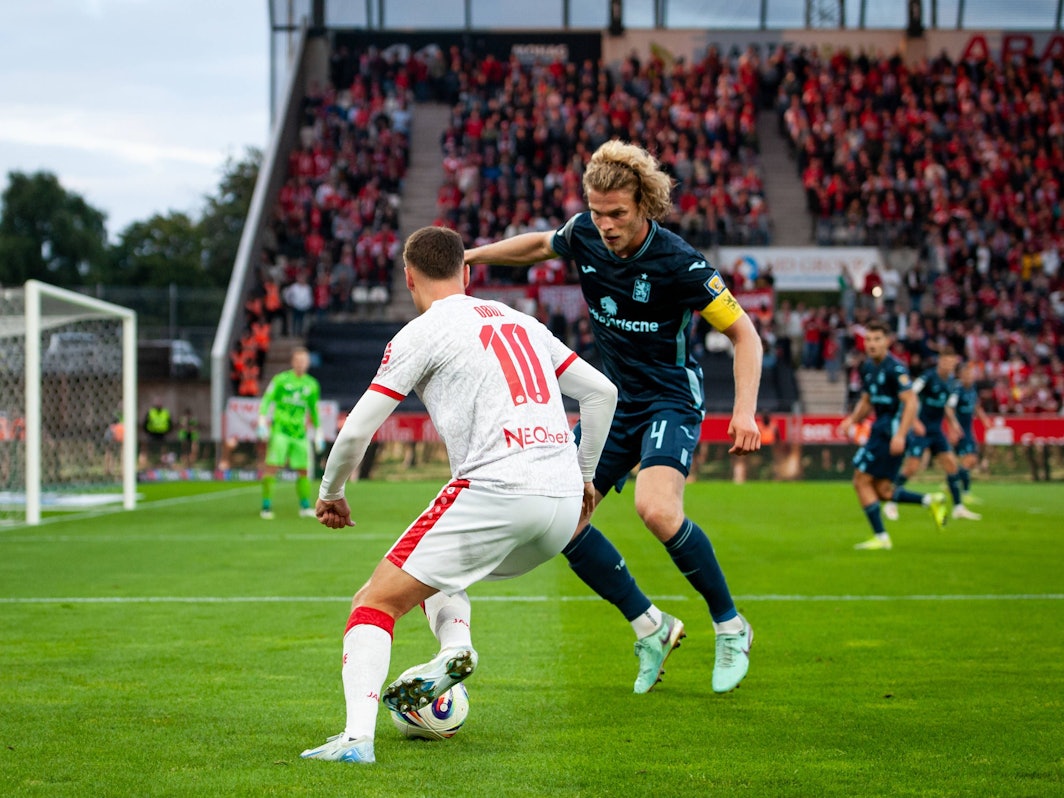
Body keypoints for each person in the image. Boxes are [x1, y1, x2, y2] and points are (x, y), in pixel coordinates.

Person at [300, 226, 618, 764]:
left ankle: (356, 739)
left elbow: (356, 430)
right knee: (438, 572)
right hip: (561, 505)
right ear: (466, 274)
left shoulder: (422, 332)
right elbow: (602, 392)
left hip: (496, 488)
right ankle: (453, 649)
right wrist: (586, 474)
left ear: (409, 278)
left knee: (373, 602)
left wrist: (331, 491)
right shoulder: (522, 321)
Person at [463, 140, 761, 696]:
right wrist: (472, 257)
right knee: (561, 517)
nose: (604, 224)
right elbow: (538, 246)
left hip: (670, 397)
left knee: (655, 508)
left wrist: (744, 410)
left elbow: (745, 334)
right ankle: (650, 626)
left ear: (644, 203)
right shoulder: (584, 234)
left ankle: (730, 624)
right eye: (597, 212)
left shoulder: (679, 263)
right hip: (611, 401)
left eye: (617, 213)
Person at [837, 320, 949, 551]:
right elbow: (868, 400)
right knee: (882, 491)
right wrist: (852, 420)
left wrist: (899, 435)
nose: (872, 344)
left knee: (860, 480)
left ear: (887, 341)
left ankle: (881, 537)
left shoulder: (896, 369)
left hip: (889, 434)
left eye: (877, 339)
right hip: (882, 430)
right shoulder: (868, 367)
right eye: (868, 339)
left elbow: (911, 402)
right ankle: (930, 501)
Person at [884, 350, 982, 522]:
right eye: (945, 361)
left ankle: (958, 507)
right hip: (921, 430)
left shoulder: (952, 383)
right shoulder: (928, 377)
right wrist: (914, 422)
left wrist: (953, 424)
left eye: (952, 363)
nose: (948, 365)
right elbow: (910, 396)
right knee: (912, 467)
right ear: (940, 361)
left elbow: (945, 407)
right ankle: (891, 500)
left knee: (951, 465)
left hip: (936, 431)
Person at [257, 346, 324, 519]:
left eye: (304, 361)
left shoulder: (312, 385)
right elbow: (267, 400)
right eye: (298, 360)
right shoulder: (281, 380)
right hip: (280, 430)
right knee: (272, 466)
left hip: (300, 433)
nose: (301, 364)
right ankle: (266, 506)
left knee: (303, 469)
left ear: (308, 363)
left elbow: (314, 410)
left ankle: (304, 506)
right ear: (293, 362)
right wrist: (262, 420)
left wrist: (318, 432)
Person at [952, 360, 991, 504]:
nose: (969, 376)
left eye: (970, 373)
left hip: (968, 430)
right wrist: (954, 428)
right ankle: (963, 491)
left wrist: (984, 420)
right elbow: (949, 409)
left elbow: (976, 406)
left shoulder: (972, 388)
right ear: (961, 375)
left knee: (969, 460)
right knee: (970, 459)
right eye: (966, 373)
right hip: (960, 431)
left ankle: (954, 481)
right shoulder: (957, 389)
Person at [142, 396, 172, 466]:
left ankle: (163, 463)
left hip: (162, 434)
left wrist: (167, 431)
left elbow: (170, 423)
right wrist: (148, 432)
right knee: (148, 448)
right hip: (152, 434)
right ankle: (148, 463)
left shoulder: (165, 412)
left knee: (163, 449)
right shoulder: (150, 412)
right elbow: (145, 423)